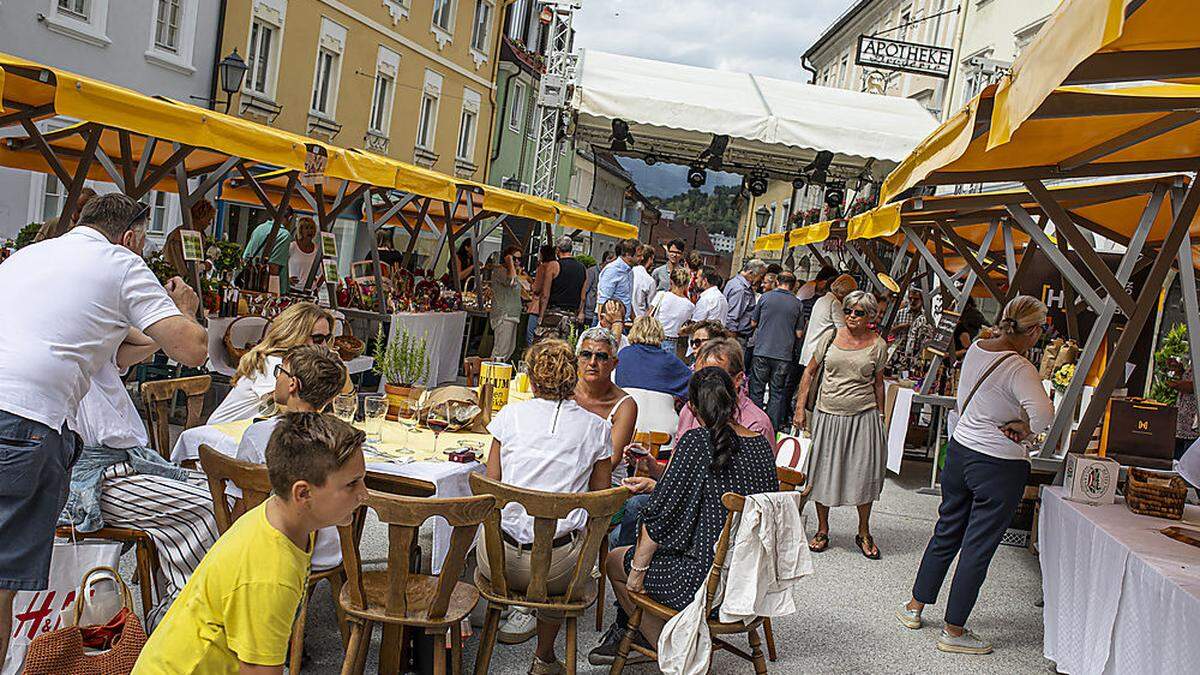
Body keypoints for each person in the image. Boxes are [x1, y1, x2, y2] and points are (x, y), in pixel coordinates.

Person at [0, 193, 208, 664]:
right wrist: (185, 308)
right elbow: (193, 348)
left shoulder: (30, 256)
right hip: (25, 422)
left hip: (16, 411)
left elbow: (115, 351)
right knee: (1, 581)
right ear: (131, 238)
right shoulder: (119, 262)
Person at [132, 413, 368, 674]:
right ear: (303, 493)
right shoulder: (271, 575)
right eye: (352, 484)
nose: (364, 494)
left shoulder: (284, 517)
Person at [901, 296, 1054, 656]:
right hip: (997, 463)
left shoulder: (978, 348)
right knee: (978, 545)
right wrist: (1025, 425)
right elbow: (1044, 416)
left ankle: (915, 605)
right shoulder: (1020, 367)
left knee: (947, 529)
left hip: (960, 451)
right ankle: (954, 629)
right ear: (1033, 331)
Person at [598, 367, 778, 659]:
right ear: (735, 400)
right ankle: (680, 638)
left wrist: (638, 572)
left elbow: (660, 519)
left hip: (702, 583)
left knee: (615, 561)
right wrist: (658, 486)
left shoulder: (697, 442)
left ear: (692, 408)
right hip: (749, 581)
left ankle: (676, 654)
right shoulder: (760, 446)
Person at [478, 339, 613, 672]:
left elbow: (490, 491)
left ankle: (489, 625)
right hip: (558, 570)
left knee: (483, 527)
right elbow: (602, 502)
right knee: (572, 542)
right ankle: (544, 656)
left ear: (531, 379)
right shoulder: (597, 428)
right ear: (574, 375)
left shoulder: (508, 416)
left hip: (499, 561)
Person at [230, 345, 348, 576]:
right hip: (329, 550)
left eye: (279, 372)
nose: (277, 378)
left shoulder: (258, 435)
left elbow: (242, 503)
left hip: (274, 549)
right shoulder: (341, 437)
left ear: (293, 384)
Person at [794, 290, 889, 559]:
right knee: (822, 473)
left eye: (858, 312)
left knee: (864, 474)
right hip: (828, 413)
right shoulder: (831, 337)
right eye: (848, 310)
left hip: (863, 415)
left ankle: (863, 531)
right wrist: (800, 408)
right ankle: (823, 529)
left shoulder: (878, 345)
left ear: (870, 316)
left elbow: (879, 383)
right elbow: (809, 372)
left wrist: (881, 418)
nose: (851, 316)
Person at [208, 302, 335, 424]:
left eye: (327, 338)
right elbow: (297, 413)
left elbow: (344, 401)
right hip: (218, 437)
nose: (324, 346)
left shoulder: (299, 365)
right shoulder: (274, 363)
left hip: (246, 435)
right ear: (295, 335)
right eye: (318, 339)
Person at [574, 327, 639, 481]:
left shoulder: (625, 405)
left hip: (605, 485)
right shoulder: (564, 392)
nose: (592, 362)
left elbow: (612, 462)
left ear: (614, 363)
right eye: (586, 354)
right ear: (577, 359)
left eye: (601, 356)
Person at [749, 272, 806, 430]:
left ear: (777, 282)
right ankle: (771, 428)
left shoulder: (765, 298)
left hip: (762, 350)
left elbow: (753, 322)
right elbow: (799, 333)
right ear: (793, 285)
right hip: (783, 355)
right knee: (777, 392)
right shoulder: (797, 303)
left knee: (757, 390)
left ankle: (754, 426)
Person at [615, 316, 692, 401]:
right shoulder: (668, 359)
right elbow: (692, 383)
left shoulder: (623, 354)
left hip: (626, 407)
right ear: (659, 333)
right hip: (659, 409)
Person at [797, 273, 858, 369]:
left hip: (810, 349)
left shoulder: (822, 299)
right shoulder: (834, 303)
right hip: (818, 351)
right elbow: (843, 331)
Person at [537, 236, 589, 341]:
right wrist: (581, 312)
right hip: (571, 315)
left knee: (548, 347)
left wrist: (541, 316)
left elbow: (545, 294)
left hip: (554, 313)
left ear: (557, 250)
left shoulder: (554, 265)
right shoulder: (582, 268)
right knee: (566, 348)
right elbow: (583, 296)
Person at [241, 212, 296, 294]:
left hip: (249, 284)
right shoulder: (284, 235)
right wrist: (274, 295)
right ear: (290, 218)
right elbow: (274, 267)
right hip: (266, 289)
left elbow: (245, 257)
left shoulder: (259, 228)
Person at [164, 199, 217, 278]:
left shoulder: (198, 235)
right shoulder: (180, 236)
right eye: (208, 219)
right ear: (200, 216)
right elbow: (180, 267)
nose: (209, 223)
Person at [649, 267, 695, 355]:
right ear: (687, 284)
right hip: (672, 343)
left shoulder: (661, 295)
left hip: (654, 338)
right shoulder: (690, 306)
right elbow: (683, 328)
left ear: (671, 281)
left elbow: (648, 315)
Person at [490, 245, 524, 361]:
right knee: (501, 351)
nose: (517, 261)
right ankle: (490, 377)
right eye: (514, 258)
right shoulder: (500, 271)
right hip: (503, 315)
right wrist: (510, 262)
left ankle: (496, 375)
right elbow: (511, 281)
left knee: (509, 349)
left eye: (519, 259)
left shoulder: (515, 272)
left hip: (513, 315)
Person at [724, 259, 767, 343]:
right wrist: (732, 342)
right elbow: (733, 318)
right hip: (736, 337)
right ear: (751, 273)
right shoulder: (741, 289)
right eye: (760, 276)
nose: (761, 282)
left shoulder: (734, 282)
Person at [597, 238, 639, 321]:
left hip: (623, 320)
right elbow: (602, 301)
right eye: (639, 255)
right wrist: (602, 327)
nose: (642, 258)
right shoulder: (612, 270)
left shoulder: (629, 271)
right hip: (609, 322)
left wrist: (635, 321)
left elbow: (626, 299)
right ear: (628, 255)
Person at [526, 244, 557, 345]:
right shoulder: (556, 265)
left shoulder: (543, 267)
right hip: (551, 307)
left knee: (531, 336)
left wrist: (530, 286)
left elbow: (537, 288)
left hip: (537, 306)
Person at [890, 288, 930, 359]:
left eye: (916, 299)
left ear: (922, 300)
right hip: (898, 353)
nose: (912, 301)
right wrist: (900, 327)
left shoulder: (926, 317)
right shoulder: (900, 313)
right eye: (910, 298)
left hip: (916, 355)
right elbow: (890, 331)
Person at [286, 216, 320, 292]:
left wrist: (317, 284)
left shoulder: (317, 249)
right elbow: (280, 264)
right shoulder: (292, 246)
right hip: (293, 289)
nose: (310, 231)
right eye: (307, 228)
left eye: (312, 228)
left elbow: (324, 270)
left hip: (310, 291)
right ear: (301, 230)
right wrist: (286, 279)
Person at [630, 245, 658, 317]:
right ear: (650, 259)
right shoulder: (650, 281)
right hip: (640, 319)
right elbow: (651, 307)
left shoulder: (629, 272)